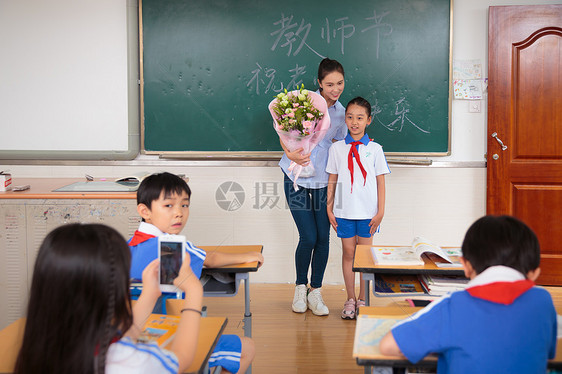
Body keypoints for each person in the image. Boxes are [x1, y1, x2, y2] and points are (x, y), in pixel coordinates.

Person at [15, 223, 204, 374]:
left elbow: (120, 337)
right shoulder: (134, 362)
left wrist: (149, 294)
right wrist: (194, 291)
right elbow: (182, 358)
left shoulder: (37, 350)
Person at [379, 215, 558, 374]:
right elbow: (548, 351)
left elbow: (388, 346)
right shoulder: (543, 302)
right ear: (534, 273)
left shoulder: (454, 305)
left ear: (465, 265)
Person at [128, 172, 262, 374]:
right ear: (145, 211)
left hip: (133, 339)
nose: (179, 213)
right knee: (247, 347)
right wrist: (248, 255)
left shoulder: (125, 247)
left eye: (184, 205)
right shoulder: (171, 249)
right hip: (166, 339)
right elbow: (211, 260)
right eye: (169, 205)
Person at [279, 57, 348, 316]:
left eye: (340, 83)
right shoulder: (302, 105)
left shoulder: (343, 113)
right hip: (294, 176)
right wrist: (292, 154)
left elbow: (341, 148)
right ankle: (300, 287)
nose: (335, 89)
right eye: (329, 84)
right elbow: (283, 134)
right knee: (307, 236)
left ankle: (315, 291)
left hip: (323, 181)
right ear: (319, 83)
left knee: (323, 237)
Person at [326, 96, 390, 319]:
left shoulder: (375, 149)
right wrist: (329, 208)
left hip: (368, 213)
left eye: (360, 118)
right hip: (344, 211)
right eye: (350, 117)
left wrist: (380, 212)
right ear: (345, 119)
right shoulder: (336, 149)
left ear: (369, 120)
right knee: (348, 253)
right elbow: (332, 179)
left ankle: (363, 298)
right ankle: (350, 299)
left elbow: (381, 182)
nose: (354, 122)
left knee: (364, 256)